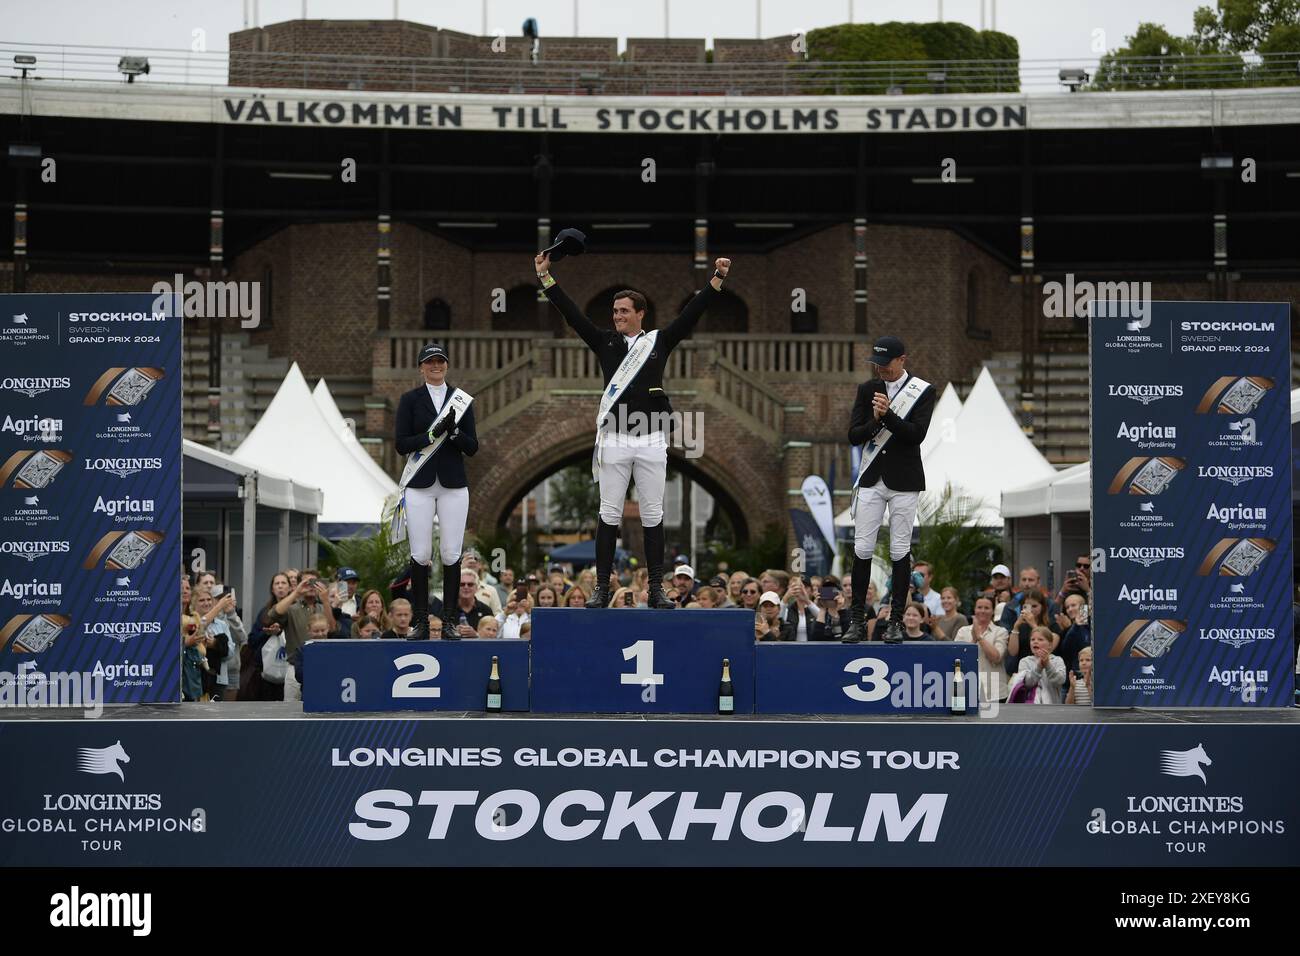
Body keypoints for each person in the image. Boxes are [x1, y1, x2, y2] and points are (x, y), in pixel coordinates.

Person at [536, 245, 732, 608]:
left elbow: (692, 313)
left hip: (652, 436)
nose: (617, 317)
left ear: (641, 313)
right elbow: (572, 314)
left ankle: (656, 588)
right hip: (615, 436)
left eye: (624, 311)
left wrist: (717, 279)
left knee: (653, 514)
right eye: (614, 312)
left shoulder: (658, 341)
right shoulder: (604, 342)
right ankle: (601, 587)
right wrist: (546, 278)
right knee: (609, 514)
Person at [842, 335, 936, 644]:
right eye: (877, 365)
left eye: (886, 365)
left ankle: (895, 620)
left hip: (904, 480)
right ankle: (857, 619)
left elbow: (916, 435)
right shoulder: (867, 389)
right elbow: (854, 435)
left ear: (902, 360)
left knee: (899, 550)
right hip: (872, 476)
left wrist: (889, 417)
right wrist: (876, 422)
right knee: (862, 548)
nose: (881, 370)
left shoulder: (922, 391)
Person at [394, 341, 479, 640]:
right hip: (420, 482)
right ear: (421, 367)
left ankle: (450, 621)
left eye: (440, 361)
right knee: (421, 553)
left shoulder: (461, 400)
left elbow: (473, 446)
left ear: (446, 365)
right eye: (430, 362)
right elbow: (401, 443)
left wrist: (454, 433)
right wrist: (429, 435)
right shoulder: (410, 400)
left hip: (453, 484)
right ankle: (420, 621)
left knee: (451, 552)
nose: (436, 366)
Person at [264, 571, 336, 702]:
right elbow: (273, 613)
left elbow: (332, 629)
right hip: (295, 667)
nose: (310, 586)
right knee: (291, 711)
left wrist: (325, 600)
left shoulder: (322, 607)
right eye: (306, 583)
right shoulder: (292, 609)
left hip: (323, 666)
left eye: (314, 582)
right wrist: (296, 593)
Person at [954, 594, 1009, 703]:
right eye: (979, 607)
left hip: (995, 692)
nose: (982, 611)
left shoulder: (1001, 632)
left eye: (987, 608)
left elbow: (996, 657)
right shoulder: (963, 631)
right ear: (974, 609)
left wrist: (979, 637)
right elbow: (958, 659)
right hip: (968, 688)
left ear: (992, 611)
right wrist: (973, 640)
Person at [1005, 588, 1059, 677]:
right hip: (1024, 671)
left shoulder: (1052, 625)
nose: (1031, 610)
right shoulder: (1021, 626)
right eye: (1026, 607)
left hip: (1046, 672)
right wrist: (1015, 627)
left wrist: (1033, 624)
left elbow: (1051, 646)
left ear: (1042, 607)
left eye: (1034, 606)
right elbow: (1012, 652)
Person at [1010, 626, 1067, 704]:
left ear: (1050, 644)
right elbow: (1027, 683)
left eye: (1040, 639)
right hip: (1030, 707)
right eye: (1032, 639)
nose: (1035, 642)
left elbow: (1060, 681)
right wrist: (1039, 667)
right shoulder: (1025, 661)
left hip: (1053, 707)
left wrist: (1047, 665)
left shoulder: (1057, 660)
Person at [998, 566, 1058, 633]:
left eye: (1030, 580)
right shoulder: (1010, 606)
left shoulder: (1050, 605)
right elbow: (1004, 633)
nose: (1026, 584)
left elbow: (1053, 634)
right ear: (1019, 583)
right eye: (1024, 580)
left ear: (1038, 583)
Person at [1053, 591, 1092, 673]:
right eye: (1067, 607)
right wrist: (1075, 626)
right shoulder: (1067, 631)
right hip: (1075, 675)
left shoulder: (1093, 625)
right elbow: (1065, 650)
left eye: (1073, 605)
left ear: (1084, 607)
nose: (1070, 609)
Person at [448, 570, 494, 637]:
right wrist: (453, 632)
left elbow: (492, 636)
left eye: (470, 584)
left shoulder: (486, 610)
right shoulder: (446, 609)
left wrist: (476, 635)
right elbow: (436, 634)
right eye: (462, 584)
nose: (466, 587)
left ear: (477, 588)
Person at [783, 575, 827, 642]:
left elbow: (823, 618)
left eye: (805, 587)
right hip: (792, 649)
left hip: (812, 649)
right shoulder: (789, 609)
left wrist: (807, 601)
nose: (801, 590)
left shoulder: (814, 607)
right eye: (797, 587)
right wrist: (786, 597)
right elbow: (778, 618)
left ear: (811, 590)